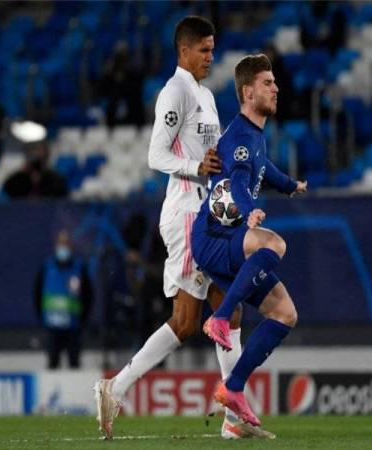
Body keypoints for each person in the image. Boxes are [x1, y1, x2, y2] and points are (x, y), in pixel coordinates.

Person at [94, 16, 274, 440]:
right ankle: (228, 413)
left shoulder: (206, 97)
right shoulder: (175, 92)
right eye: (204, 50)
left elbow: (213, 153)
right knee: (212, 310)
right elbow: (156, 154)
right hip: (187, 215)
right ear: (184, 52)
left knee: (201, 316)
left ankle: (119, 388)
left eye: (213, 49)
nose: (211, 56)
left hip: (208, 213)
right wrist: (195, 166)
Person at [192, 54, 307, 427]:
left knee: (285, 313)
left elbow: (263, 168)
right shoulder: (241, 136)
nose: (276, 88)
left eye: (275, 82)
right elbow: (240, 179)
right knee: (274, 244)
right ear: (247, 92)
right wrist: (249, 210)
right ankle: (221, 317)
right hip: (214, 237)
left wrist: (290, 186)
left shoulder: (253, 135)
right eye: (267, 83)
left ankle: (234, 388)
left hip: (227, 239)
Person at [34, 229, 92, 369]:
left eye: (66, 243)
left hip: (73, 327)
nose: (63, 247)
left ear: (71, 246)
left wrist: (82, 319)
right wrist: (42, 317)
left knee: (74, 363)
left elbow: (88, 295)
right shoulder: (47, 267)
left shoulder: (79, 268)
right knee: (52, 362)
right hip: (52, 327)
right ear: (55, 245)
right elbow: (37, 293)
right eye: (61, 243)